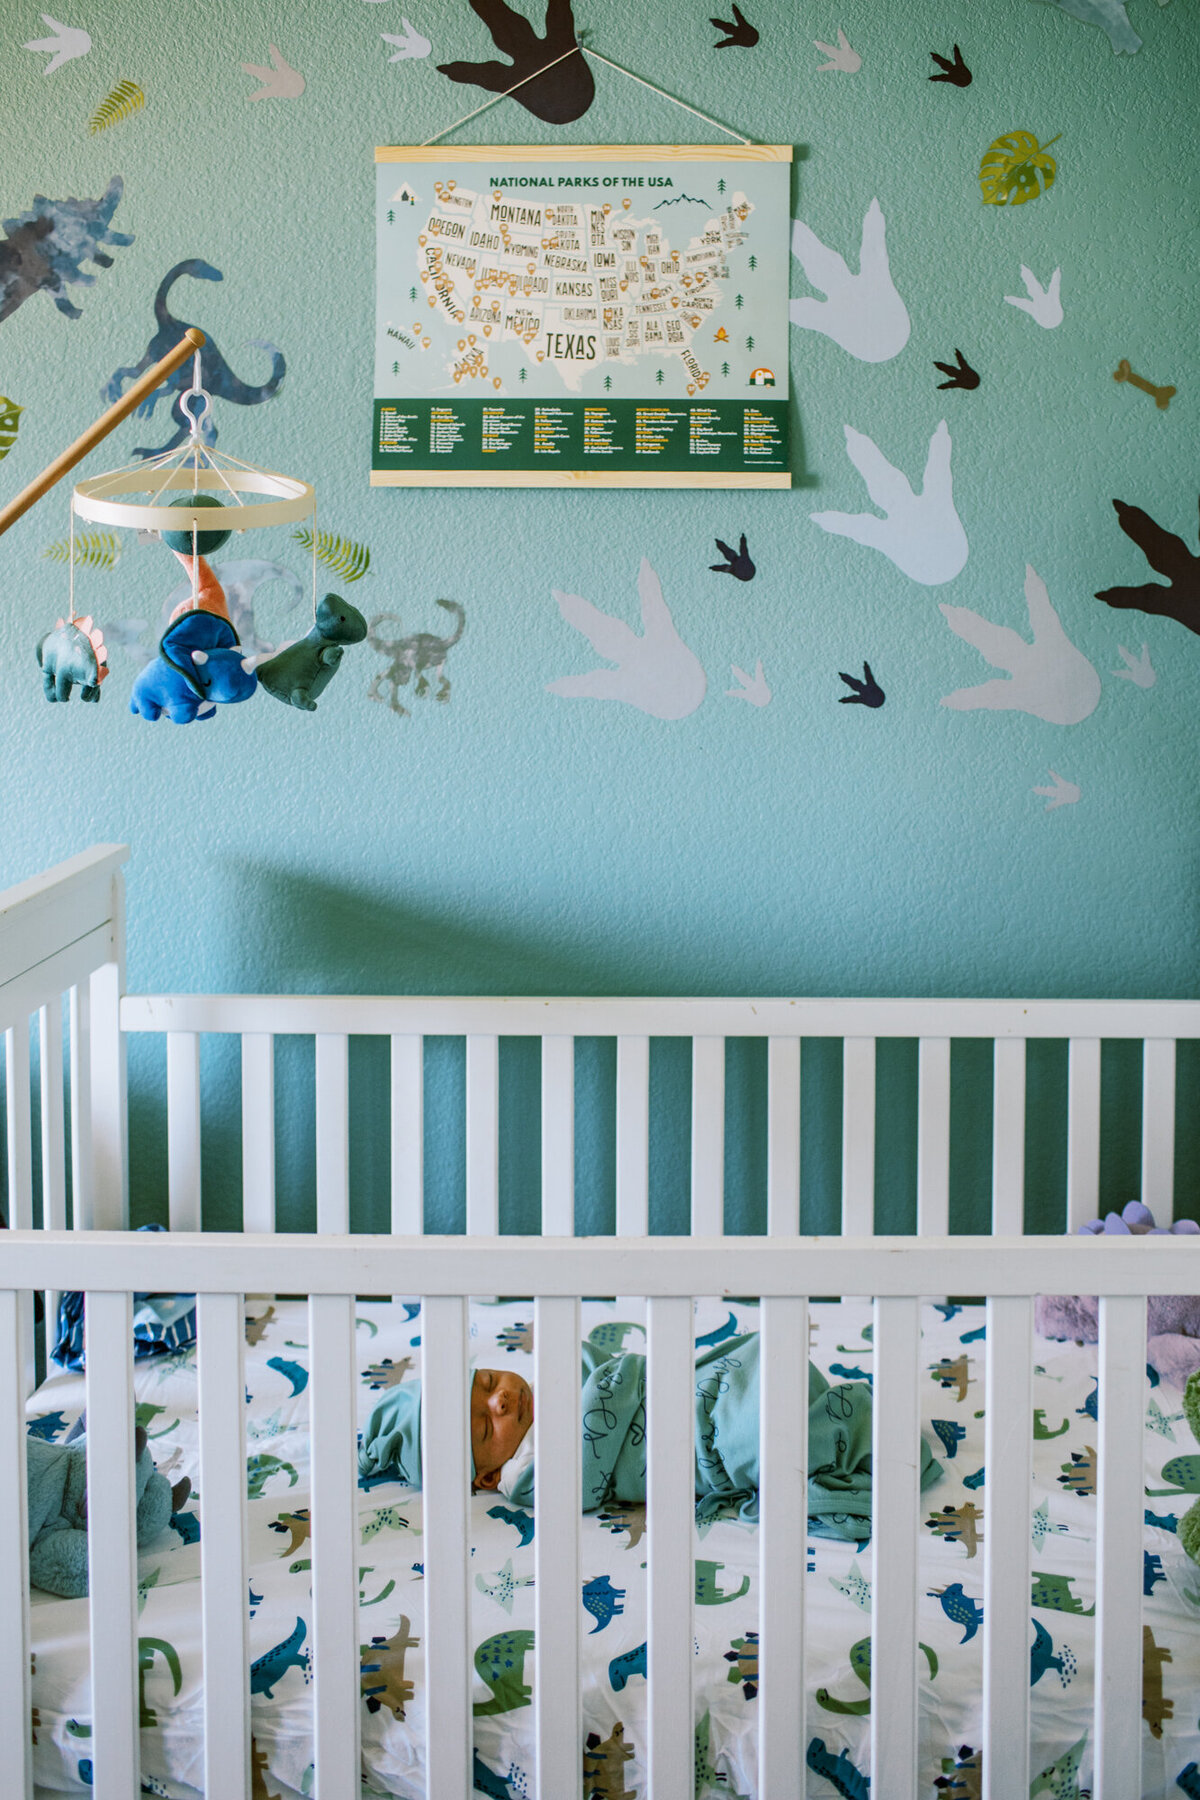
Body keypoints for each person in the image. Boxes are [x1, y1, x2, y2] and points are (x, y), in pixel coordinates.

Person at [358, 1333, 943, 1539]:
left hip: (701, 1393)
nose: (502, 1398)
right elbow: (583, 1481)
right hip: (697, 1446)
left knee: (765, 1363)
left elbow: (621, 1370)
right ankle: (863, 1436)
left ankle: (839, 1417)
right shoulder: (527, 1477)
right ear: (487, 1474)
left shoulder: (562, 1369)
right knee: (767, 1433)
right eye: (486, 1425)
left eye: (488, 1381)